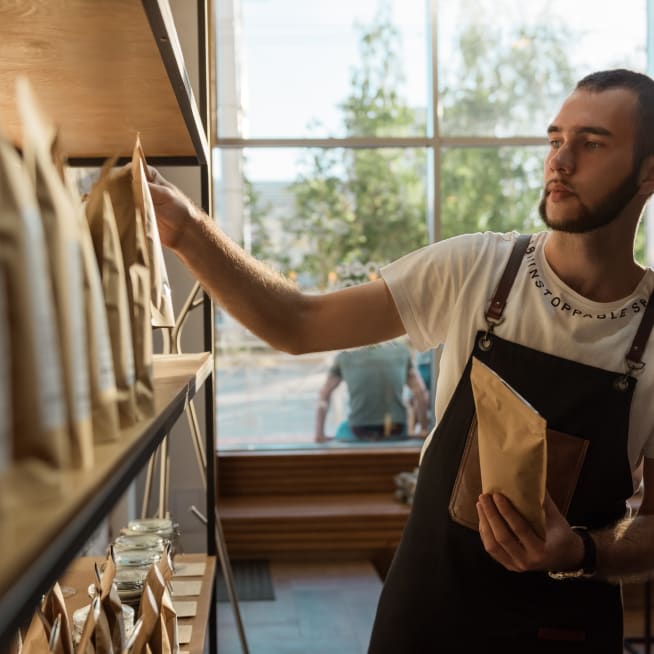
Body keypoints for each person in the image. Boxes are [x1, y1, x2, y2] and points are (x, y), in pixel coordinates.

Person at [146, 68, 654, 652]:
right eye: (554, 140)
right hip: (429, 614)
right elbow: (298, 323)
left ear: (648, 171)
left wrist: (583, 551)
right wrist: (187, 229)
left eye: (591, 144)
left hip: (565, 629)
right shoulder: (478, 271)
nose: (559, 162)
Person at [314, 339, 429, 443]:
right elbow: (420, 392)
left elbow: (324, 394)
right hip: (395, 431)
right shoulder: (401, 351)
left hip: (359, 430)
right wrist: (423, 429)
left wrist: (320, 434)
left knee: (341, 430)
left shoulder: (344, 354)